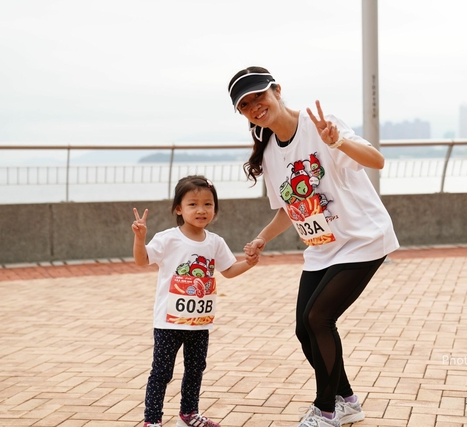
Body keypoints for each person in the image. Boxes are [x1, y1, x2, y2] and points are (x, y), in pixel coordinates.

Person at [228, 66, 400, 427]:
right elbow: (289, 209)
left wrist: (337, 142)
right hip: (322, 247)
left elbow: (377, 161)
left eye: (259, 96)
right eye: (245, 105)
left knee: (318, 318)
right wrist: (262, 238)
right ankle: (347, 401)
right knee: (303, 329)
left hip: (363, 238)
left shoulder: (319, 124)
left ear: (277, 90)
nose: (255, 106)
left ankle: (325, 410)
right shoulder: (270, 153)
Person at [132, 175, 259, 427]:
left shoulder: (215, 242)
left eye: (208, 204)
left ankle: (188, 414)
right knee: (161, 373)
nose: (201, 210)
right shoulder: (168, 238)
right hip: (169, 322)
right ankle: (152, 420)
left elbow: (229, 270)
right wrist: (139, 238)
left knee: (195, 369)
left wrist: (249, 263)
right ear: (179, 209)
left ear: (215, 208)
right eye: (193, 204)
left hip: (200, 322)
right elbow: (141, 260)